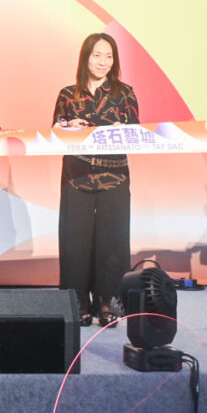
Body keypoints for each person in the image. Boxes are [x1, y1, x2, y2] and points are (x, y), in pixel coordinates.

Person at [53, 33, 138, 327]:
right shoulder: (68, 94)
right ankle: (78, 302)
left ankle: (108, 301)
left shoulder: (124, 93)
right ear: (85, 57)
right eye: (97, 55)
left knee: (112, 238)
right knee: (74, 240)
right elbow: (55, 129)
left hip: (113, 176)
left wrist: (118, 129)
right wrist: (68, 125)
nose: (103, 62)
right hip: (76, 176)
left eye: (108, 56)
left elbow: (136, 131)